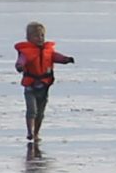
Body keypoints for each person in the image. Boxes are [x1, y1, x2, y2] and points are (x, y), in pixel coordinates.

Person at [13, 22, 74, 152]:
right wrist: (19, 66)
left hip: (44, 86)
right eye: (36, 36)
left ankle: (36, 133)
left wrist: (66, 59)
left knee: (40, 113)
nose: (40, 38)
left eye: (42, 35)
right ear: (28, 38)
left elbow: (56, 57)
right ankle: (29, 131)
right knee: (32, 110)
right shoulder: (26, 52)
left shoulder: (48, 50)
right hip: (30, 87)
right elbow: (21, 61)